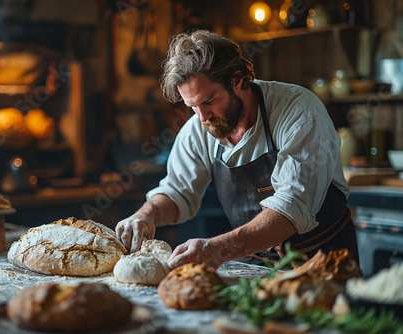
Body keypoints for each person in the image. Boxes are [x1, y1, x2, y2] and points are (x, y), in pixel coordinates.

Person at [115, 30, 359, 270]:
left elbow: (292, 207)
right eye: (192, 106)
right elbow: (177, 191)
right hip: (255, 267)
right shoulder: (198, 128)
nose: (202, 117)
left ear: (237, 80)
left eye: (209, 101)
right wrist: (146, 214)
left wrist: (217, 249)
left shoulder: (299, 111)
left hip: (324, 264)